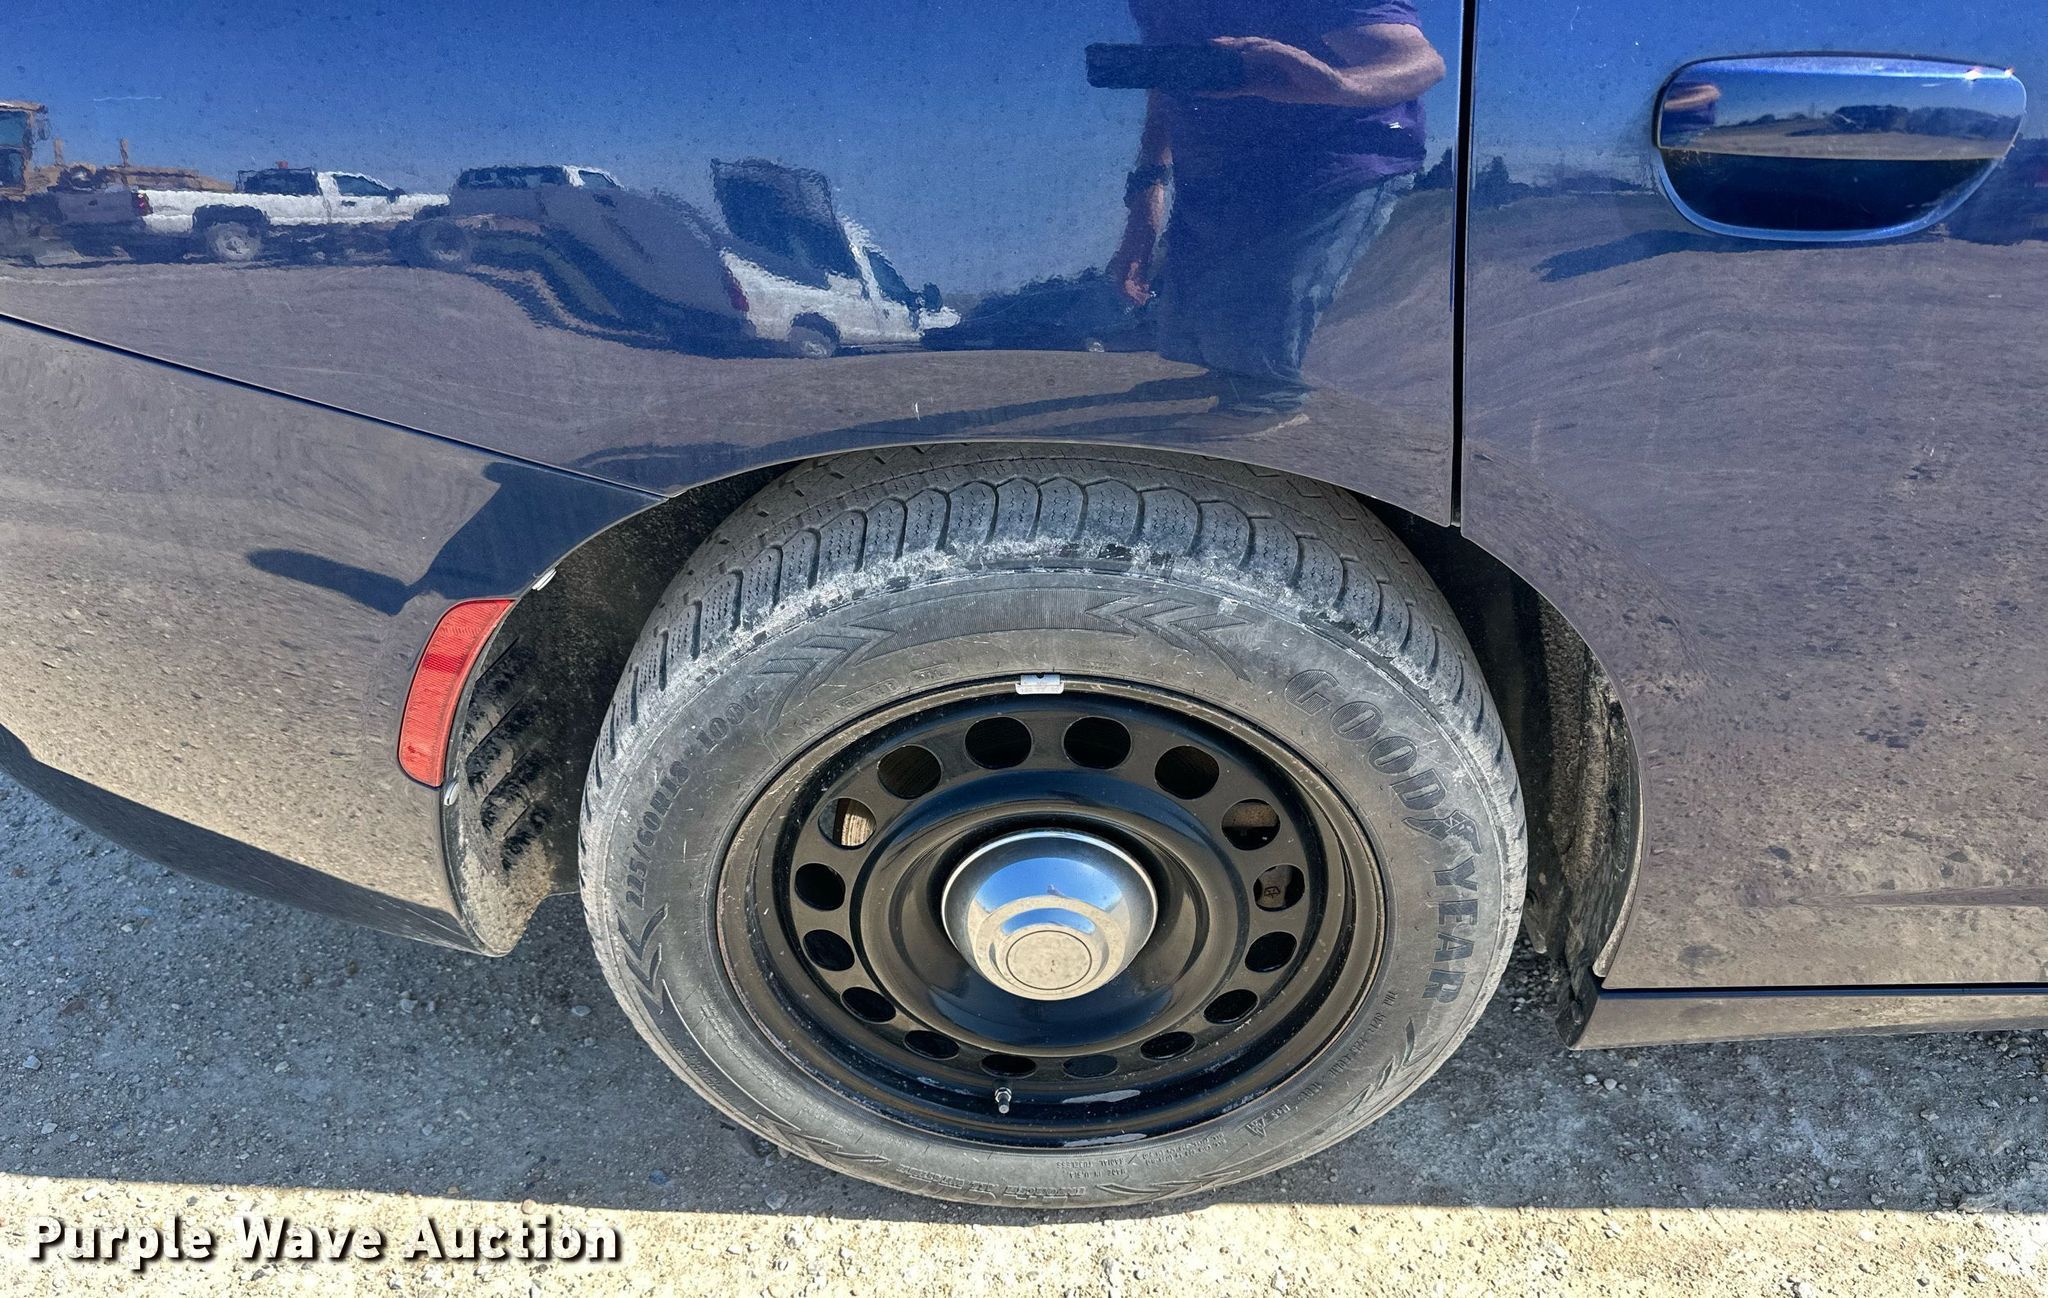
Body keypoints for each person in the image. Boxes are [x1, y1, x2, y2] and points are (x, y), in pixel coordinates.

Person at [1107, 2, 1444, 417]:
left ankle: (1262, 412)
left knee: (1260, 344)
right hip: (1218, 176)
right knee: (1187, 335)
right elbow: (1168, 85)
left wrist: (1338, 85)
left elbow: (1420, 62)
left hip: (1330, 170)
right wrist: (1146, 204)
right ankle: (1234, 377)